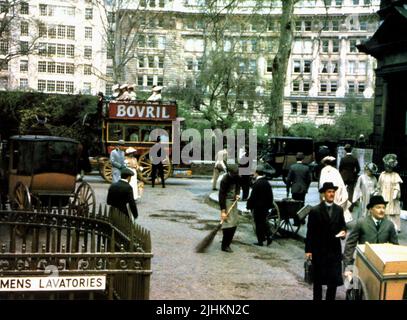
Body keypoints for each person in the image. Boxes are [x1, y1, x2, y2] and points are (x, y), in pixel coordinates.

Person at [305, 182, 347, 300]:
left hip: (334, 251)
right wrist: (308, 250)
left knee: (332, 281)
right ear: (324, 194)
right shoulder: (315, 210)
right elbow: (310, 232)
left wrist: (343, 232)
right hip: (319, 251)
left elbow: (342, 226)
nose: (331, 194)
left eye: (333, 192)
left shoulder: (339, 210)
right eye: (329, 192)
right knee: (318, 281)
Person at [343, 195, 398, 275]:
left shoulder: (389, 225)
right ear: (371, 209)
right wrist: (348, 267)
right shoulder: (361, 223)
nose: (382, 210)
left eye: (383, 207)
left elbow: (395, 246)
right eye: (378, 207)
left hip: (382, 264)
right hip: (365, 262)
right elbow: (350, 245)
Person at [246, 164, 273, 246]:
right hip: (265, 207)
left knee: (258, 224)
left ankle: (260, 241)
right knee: (264, 222)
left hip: (258, 207)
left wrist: (248, 205)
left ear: (256, 173)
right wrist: (269, 206)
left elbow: (252, 197)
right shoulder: (267, 183)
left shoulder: (257, 184)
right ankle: (268, 236)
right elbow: (270, 196)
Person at [319, 156, 350, 221]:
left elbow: (321, 183)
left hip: (327, 191)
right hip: (336, 191)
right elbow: (341, 183)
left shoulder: (323, 170)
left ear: (325, 163)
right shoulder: (335, 171)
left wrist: (322, 195)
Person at [377, 154, 403, 233]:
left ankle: (394, 228)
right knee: (382, 210)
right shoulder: (382, 174)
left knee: (392, 213)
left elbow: (397, 186)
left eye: (389, 167)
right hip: (384, 195)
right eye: (386, 166)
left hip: (392, 197)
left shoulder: (395, 175)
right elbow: (379, 186)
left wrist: (395, 193)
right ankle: (382, 227)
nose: (387, 168)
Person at [219, 164, 241, 253]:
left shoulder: (237, 176)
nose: (236, 175)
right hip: (226, 201)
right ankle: (225, 245)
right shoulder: (225, 179)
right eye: (234, 174)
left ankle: (228, 241)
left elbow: (238, 186)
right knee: (228, 223)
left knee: (234, 223)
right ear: (229, 172)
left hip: (233, 201)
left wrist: (237, 194)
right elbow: (221, 195)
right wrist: (223, 211)